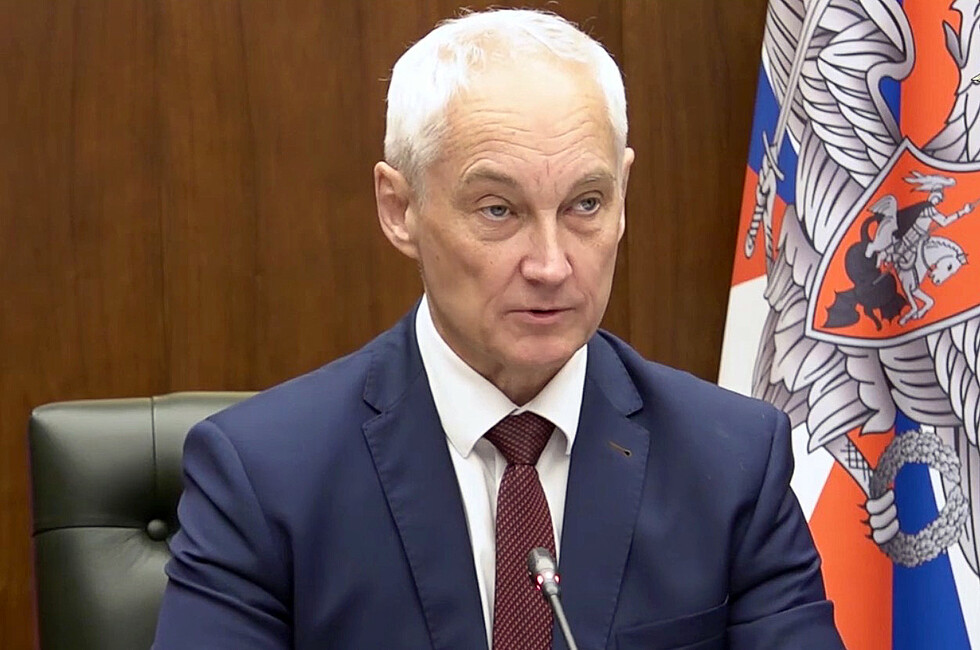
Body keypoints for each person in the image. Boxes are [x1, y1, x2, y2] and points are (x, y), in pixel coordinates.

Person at [153, 9, 844, 649]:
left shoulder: (733, 463)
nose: (551, 265)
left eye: (585, 204)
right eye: (497, 210)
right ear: (399, 208)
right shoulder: (266, 476)